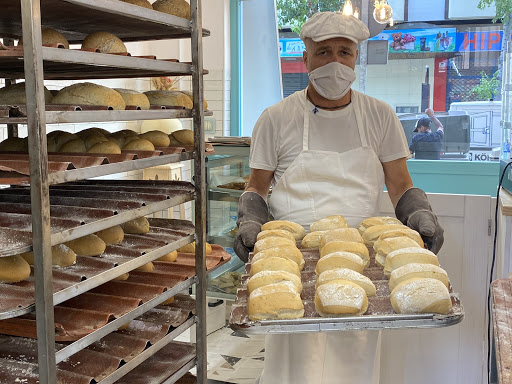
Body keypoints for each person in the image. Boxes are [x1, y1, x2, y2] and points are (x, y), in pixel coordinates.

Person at [234, 11, 444, 384]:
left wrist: (418, 211)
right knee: (295, 362)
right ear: (306, 58)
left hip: (363, 258)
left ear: (356, 58)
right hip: (294, 257)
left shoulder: (380, 115)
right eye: (324, 52)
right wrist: (250, 219)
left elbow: (398, 183)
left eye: (344, 53)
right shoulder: (276, 117)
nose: (335, 62)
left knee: (354, 357)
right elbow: (256, 185)